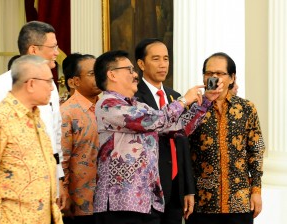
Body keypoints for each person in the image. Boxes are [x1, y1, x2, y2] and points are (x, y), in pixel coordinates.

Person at [92, 50, 223, 224]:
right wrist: (184, 100)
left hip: (146, 201)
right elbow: (154, 120)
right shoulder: (108, 104)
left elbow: (178, 128)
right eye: (129, 70)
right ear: (112, 74)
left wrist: (206, 101)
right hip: (120, 202)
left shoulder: (138, 105)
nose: (135, 74)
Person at [0, 21, 65, 209]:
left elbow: (54, 134)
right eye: (53, 47)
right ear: (33, 49)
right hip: (14, 197)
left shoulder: (50, 84)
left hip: (45, 189)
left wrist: (58, 178)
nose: (57, 52)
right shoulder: (2, 85)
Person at [186, 52, 265, 224]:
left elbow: (256, 150)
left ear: (232, 78)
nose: (214, 77)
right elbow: (183, 148)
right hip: (202, 202)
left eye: (220, 73)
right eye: (209, 74)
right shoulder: (194, 108)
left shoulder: (247, 108)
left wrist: (256, 191)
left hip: (240, 202)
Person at [134, 38, 195, 224]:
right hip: (149, 187)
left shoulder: (173, 96)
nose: (163, 65)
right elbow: (157, 124)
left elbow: (183, 141)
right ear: (141, 63)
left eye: (166, 59)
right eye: (156, 59)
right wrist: (184, 102)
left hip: (176, 185)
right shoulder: (135, 97)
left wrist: (188, 188)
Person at [60, 53, 102, 223]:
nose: (98, 77)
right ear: (75, 81)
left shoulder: (106, 107)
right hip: (79, 203)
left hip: (107, 202)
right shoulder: (67, 113)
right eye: (92, 74)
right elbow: (62, 158)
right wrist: (64, 192)